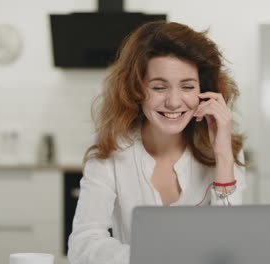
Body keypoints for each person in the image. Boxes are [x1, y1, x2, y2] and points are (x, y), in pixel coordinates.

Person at [68, 21, 247, 264]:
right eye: (159, 87)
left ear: (203, 91)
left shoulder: (225, 149)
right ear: (136, 90)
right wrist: (149, 258)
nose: (174, 102)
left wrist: (224, 157)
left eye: (187, 86)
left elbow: (232, 246)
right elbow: (83, 243)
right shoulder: (110, 148)